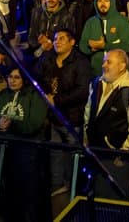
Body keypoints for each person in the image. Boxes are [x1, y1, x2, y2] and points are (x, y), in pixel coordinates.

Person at [0, 67, 48, 222]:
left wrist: (12, 124)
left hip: (28, 151)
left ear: (24, 79)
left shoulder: (35, 96)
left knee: (28, 191)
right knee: (8, 189)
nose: (12, 80)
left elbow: (34, 124)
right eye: (10, 77)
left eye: (17, 77)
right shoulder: (2, 95)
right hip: (5, 150)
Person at [34, 28, 91, 197]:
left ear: (72, 42)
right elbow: (36, 75)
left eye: (62, 39)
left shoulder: (80, 63)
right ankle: (57, 184)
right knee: (55, 152)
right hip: (52, 116)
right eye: (56, 39)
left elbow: (82, 90)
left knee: (73, 153)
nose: (57, 42)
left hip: (72, 117)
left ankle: (73, 185)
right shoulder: (49, 58)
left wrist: (57, 100)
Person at [83, 49, 129, 199]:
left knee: (112, 204)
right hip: (94, 154)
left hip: (115, 161)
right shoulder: (96, 83)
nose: (104, 65)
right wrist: (85, 139)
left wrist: (122, 154)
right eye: (104, 61)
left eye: (108, 62)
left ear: (122, 66)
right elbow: (87, 113)